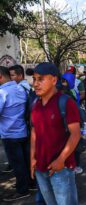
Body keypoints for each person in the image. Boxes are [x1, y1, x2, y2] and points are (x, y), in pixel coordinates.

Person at [30, 63, 80, 205]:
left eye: (41, 79)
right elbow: (34, 132)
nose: (36, 84)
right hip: (40, 167)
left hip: (61, 169)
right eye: (34, 79)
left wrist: (61, 159)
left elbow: (75, 134)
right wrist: (32, 158)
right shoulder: (35, 104)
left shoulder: (65, 102)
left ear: (54, 80)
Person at [0, 66, 32, 202]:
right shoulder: (21, 88)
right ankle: (30, 184)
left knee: (17, 164)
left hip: (10, 134)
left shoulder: (2, 92)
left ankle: (22, 190)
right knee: (25, 161)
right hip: (23, 131)